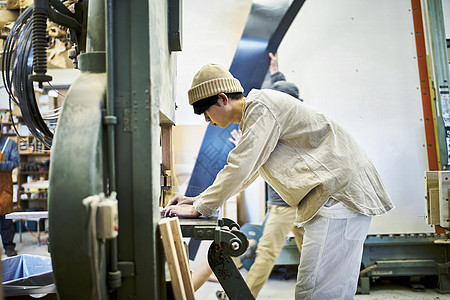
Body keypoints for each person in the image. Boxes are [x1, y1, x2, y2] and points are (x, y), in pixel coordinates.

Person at [162, 57, 394, 299]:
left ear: (222, 98)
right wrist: (197, 200)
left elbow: (239, 166)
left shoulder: (261, 107)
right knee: (331, 290)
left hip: (338, 195)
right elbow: (248, 172)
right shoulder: (256, 115)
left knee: (315, 292)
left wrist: (201, 207)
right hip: (337, 195)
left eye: (205, 112)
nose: (207, 120)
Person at [221, 52, 305, 299]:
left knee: (267, 252)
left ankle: (243, 296)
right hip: (291, 202)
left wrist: (244, 145)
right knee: (308, 254)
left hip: (287, 204)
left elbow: (259, 158)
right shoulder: (291, 117)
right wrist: (275, 71)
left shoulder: (280, 125)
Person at [0, 127, 19, 257]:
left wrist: (1, 165)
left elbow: (15, 162)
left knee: (6, 218)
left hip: (4, 188)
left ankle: (8, 246)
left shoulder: (9, 143)